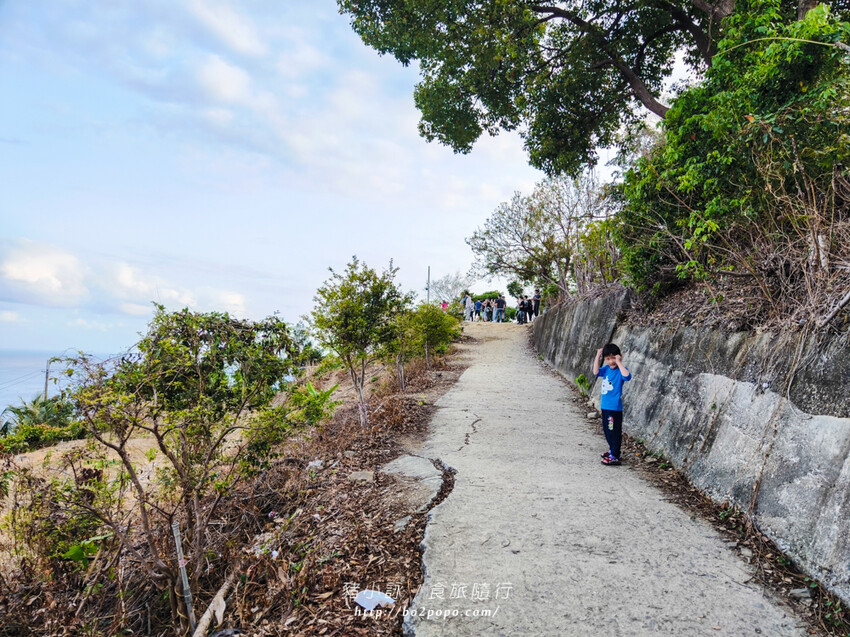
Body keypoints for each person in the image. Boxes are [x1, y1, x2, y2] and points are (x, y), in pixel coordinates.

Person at [593, 343, 632, 466]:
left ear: (619, 356)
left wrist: (619, 362)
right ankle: (612, 451)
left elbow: (627, 376)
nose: (611, 361)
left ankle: (615, 455)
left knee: (613, 431)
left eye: (613, 358)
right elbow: (595, 372)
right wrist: (598, 356)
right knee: (607, 430)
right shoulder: (606, 369)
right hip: (605, 406)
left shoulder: (621, 370)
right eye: (608, 359)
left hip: (614, 408)